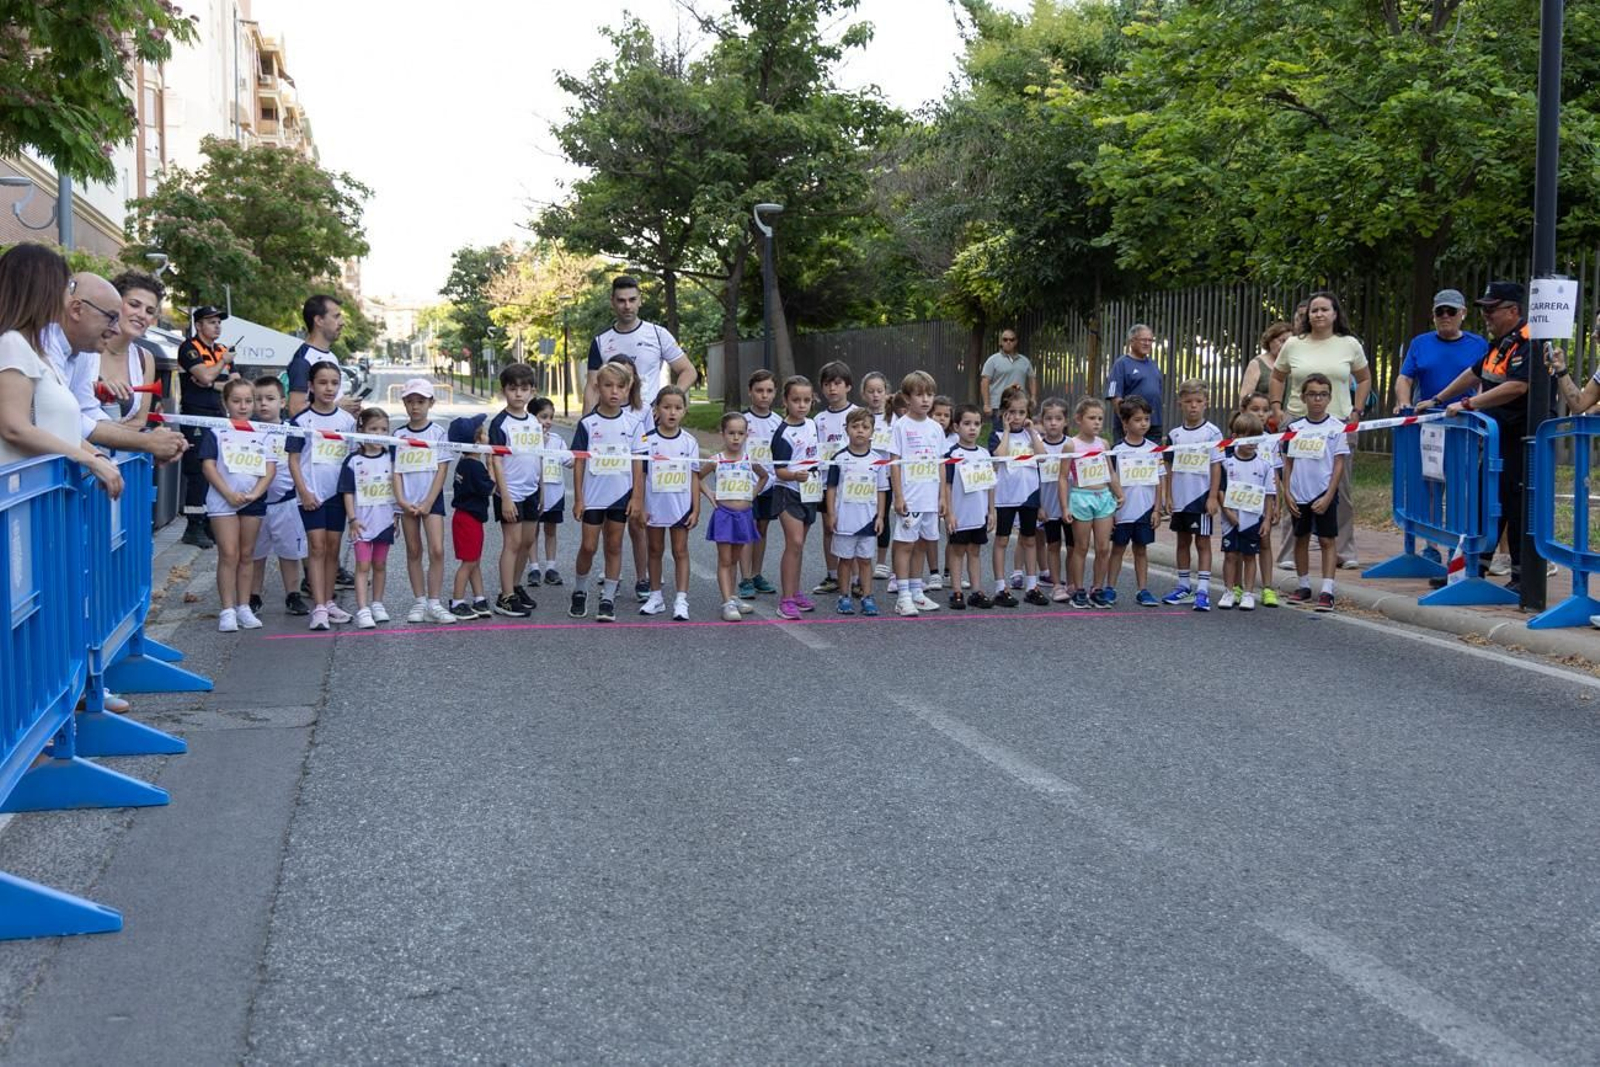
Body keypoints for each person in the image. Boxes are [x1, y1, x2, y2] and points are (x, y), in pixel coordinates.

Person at [1415, 281, 1532, 593]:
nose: (1486, 316)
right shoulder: (1501, 343)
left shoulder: (1528, 342)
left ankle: (1523, 579)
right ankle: (1470, 570)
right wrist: (1438, 398)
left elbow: (1519, 386)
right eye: (1484, 310)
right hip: (1499, 437)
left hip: (1522, 438)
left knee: (1515, 504)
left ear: (1513, 310)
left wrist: (1469, 403)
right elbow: (1474, 373)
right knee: (1486, 501)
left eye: (1492, 309)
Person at [0, 244, 122, 495]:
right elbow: (14, 428)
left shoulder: (34, 349)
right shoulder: (12, 344)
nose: (69, 296)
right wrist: (88, 460)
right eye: (66, 287)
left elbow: (52, 430)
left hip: (43, 498)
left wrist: (96, 456)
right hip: (24, 498)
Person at [1268, 290, 1371, 570]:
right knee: (1293, 485)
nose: (1319, 314)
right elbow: (1278, 376)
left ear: (1335, 313)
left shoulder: (1349, 344)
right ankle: (1289, 552)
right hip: (1299, 423)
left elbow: (1364, 379)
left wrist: (1356, 411)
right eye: (1314, 310)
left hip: (1337, 424)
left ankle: (1343, 550)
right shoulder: (1294, 344)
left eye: (1325, 309)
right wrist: (1277, 409)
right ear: (1307, 315)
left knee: (1342, 489)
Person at [286, 361, 356, 632]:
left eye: (334, 383)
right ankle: (318, 607)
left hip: (337, 495)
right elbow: (293, 460)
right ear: (311, 386)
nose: (329, 388)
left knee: (332, 550)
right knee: (316, 547)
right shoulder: (301, 420)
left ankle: (328, 602)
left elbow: (352, 459)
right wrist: (304, 491)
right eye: (323, 383)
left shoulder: (348, 421)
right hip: (311, 494)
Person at [201, 379, 273, 632]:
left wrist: (255, 493)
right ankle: (227, 610)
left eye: (248, 401)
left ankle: (244, 607)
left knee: (247, 554)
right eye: (236, 401)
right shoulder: (216, 431)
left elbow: (269, 468)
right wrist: (228, 493)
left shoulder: (263, 431)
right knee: (229, 554)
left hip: (253, 500)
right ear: (225, 403)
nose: (243, 406)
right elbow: (208, 466)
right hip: (223, 500)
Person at [569, 360, 639, 623]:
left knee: (614, 545)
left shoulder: (633, 423)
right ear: (597, 387)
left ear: (627, 389)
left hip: (621, 494)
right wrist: (578, 498)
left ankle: (608, 597)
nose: (614, 392)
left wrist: (637, 497)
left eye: (620, 387)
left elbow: (638, 463)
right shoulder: (588, 424)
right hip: (593, 496)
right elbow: (579, 462)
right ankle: (580, 589)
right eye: (608, 385)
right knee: (588, 546)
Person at [583, 275, 697, 418]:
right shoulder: (600, 341)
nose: (627, 306)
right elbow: (592, 388)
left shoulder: (658, 334)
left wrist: (667, 402)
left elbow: (688, 371)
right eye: (621, 301)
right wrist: (585, 426)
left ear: (640, 300)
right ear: (612, 302)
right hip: (611, 421)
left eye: (632, 300)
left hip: (649, 420)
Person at [631, 386, 700, 620]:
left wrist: (696, 508)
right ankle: (655, 596)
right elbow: (639, 475)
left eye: (678, 408)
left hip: (680, 507)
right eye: (667, 407)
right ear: (656, 410)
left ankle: (681, 599)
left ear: (684, 411)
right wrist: (639, 506)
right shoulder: (646, 441)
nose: (672, 412)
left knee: (680, 550)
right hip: (654, 507)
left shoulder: (689, 442)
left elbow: (694, 476)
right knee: (654, 550)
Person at [391, 379, 456, 625]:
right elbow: (395, 470)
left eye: (420, 401)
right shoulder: (398, 434)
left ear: (431, 403)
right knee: (413, 550)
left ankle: (434, 602)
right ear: (404, 404)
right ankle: (419, 600)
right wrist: (401, 501)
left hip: (431, 500)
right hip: (407, 500)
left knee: (437, 549)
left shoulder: (438, 433)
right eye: (410, 401)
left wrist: (429, 501)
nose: (415, 407)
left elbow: (442, 469)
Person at [1283, 374, 1349, 612]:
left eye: (1322, 395)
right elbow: (1288, 462)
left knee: (1326, 540)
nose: (1317, 399)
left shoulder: (1337, 428)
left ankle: (1327, 590)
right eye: (1312, 394)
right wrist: (1287, 492)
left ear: (1329, 398)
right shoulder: (1294, 428)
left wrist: (1329, 495)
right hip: (1299, 493)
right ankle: (1303, 586)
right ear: (1304, 397)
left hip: (1323, 493)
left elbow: (1338, 464)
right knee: (1300, 539)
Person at [247, 376, 310, 617]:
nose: (263, 404)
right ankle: (253, 595)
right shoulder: (247, 430)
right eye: (258, 399)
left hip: (286, 503)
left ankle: (292, 594)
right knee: (256, 554)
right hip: (256, 503)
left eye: (270, 399)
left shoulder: (291, 431)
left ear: (282, 402)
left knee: (289, 552)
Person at [887, 370, 946, 617]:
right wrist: (899, 496)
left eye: (929, 394)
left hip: (930, 497)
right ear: (907, 398)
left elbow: (941, 463)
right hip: (911, 497)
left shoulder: (936, 428)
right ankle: (902, 596)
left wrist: (943, 496)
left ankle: (916, 591)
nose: (925, 400)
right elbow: (894, 463)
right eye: (919, 394)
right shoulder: (900, 427)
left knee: (923, 544)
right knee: (905, 544)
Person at [700, 412, 767, 621]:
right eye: (731, 433)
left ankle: (732, 595)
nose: (736, 438)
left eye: (740, 433)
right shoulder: (716, 460)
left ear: (747, 435)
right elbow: (698, 477)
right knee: (725, 559)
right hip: (724, 515)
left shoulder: (749, 460)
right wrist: (709, 493)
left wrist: (752, 494)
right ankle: (727, 602)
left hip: (744, 515)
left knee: (736, 558)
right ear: (723, 434)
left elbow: (764, 476)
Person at [487, 363, 542, 618]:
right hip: (510, 493)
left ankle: (516, 586)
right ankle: (505, 596)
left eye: (524, 389)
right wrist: (505, 496)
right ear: (504, 391)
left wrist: (541, 490)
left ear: (533, 391)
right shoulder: (500, 423)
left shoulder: (533, 421)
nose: (518, 394)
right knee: (512, 543)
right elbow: (496, 460)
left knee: (527, 541)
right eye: (513, 389)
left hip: (531, 491)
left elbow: (538, 456)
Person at [177, 304, 234, 547]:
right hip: (196, 415)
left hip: (219, 414)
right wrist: (216, 371)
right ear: (198, 325)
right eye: (211, 321)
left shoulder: (222, 350)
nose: (217, 325)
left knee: (217, 469)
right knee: (198, 470)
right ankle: (193, 526)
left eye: (219, 321)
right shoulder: (189, 348)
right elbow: (207, 376)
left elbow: (234, 384)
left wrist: (210, 381)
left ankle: (211, 521)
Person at [1162, 379, 1222, 610]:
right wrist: (1168, 495)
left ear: (1206, 403)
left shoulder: (1212, 433)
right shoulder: (1174, 434)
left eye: (1198, 401)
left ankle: (1203, 590)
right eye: (1188, 402)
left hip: (1201, 497)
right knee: (1182, 541)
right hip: (1180, 498)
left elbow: (1216, 466)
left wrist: (1213, 496)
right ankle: (1183, 586)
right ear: (1180, 404)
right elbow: (1168, 466)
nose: (1193, 406)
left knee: (1203, 542)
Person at [770, 375, 824, 620]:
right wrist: (794, 475)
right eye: (796, 400)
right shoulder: (782, 434)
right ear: (785, 401)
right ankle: (786, 600)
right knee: (795, 543)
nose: (802, 405)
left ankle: (796, 590)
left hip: (810, 491)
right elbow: (778, 471)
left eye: (806, 400)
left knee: (800, 545)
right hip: (788, 491)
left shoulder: (812, 425)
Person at [825, 407, 888, 615]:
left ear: (872, 432)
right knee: (845, 560)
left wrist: (880, 516)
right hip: (844, 519)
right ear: (846, 430)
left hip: (868, 520)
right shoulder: (839, 458)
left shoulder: (877, 460)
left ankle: (867, 596)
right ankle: (844, 596)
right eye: (855, 426)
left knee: (865, 560)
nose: (860, 431)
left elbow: (881, 490)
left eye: (865, 427)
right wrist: (832, 514)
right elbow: (832, 488)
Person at [1212, 410, 1277, 611]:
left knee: (1250, 556)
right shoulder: (1226, 463)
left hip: (1253, 519)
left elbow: (1269, 494)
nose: (1251, 442)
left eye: (1255, 437)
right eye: (1246, 437)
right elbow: (1221, 490)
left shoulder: (1265, 465)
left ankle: (1249, 593)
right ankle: (1229, 591)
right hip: (1230, 520)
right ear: (1235, 437)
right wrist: (1228, 513)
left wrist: (1266, 520)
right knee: (1231, 555)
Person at [338, 407, 397, 629]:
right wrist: (352, 519)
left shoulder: (392, 458)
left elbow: (397, 488)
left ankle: (377, 604)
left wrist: (396, 516)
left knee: (380, 564)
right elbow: (348, 492)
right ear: (361, 430)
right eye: (373, 429)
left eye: (384, 429)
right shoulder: (353, 461)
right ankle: (363, 608)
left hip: (385, 521)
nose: (378, 434)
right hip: (361, 523)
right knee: (363, 565)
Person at [987, 385, 1045, 607]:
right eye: (1013, 412)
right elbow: (1000, 456)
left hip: (1029, 494)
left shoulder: (1032, 435)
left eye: (1022, 412)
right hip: (1005, 496)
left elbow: (1041, 457)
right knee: (1002, 540)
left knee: (1029, 539)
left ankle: (1032, 585)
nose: (1018, 417)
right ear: (1004, 413)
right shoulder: (998, 435)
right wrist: (1008, 430)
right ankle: (1001, 587)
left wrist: (1031, 432)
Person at [1062, 398, 1122, 608]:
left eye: (1100, 418)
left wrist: (1118, 493)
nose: (1096, 423)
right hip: (1081, 497)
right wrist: (1065, 506)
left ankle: (1097, 588)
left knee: (1104, 547)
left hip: (1104, 497)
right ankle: (1078, 589)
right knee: (1081, 546)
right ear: (1079, 419)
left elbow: (1110, 472)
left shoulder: (1103, 444)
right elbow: (1062, 477)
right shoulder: (1071, 444)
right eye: (1091, 418)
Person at [1106, 396, 1165, 607]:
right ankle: (1110, 588)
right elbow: (1110, 481)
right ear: (1125, 423)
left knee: (1141, 550)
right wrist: (1111, 511)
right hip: (1122, 510)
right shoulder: (1116, 450)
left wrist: (1157, 509)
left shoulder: (1154, 449)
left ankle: (1143, 590)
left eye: (1147, 419)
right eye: (1138, 419)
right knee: (1118, 549)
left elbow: (1159, 480)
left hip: (1145, 510)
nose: (1143, 424)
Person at [1393, 290, 1488, 413]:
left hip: (1464, 417)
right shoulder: (1419, 343)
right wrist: (1404, 404)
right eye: (1439, 312)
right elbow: (1404, 378)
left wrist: (1476, 406)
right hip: (1425, 414)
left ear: (1463, 313)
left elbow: (1485, 381)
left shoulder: (1479, 345)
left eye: (1451, 311)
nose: (1445, 316)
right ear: (1433, 315)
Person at [941, 403, 997, 609]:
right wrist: (949, 513)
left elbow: (990, 484)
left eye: (976, 424)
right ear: (956, 427)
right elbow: (946, 485)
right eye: (966, 424)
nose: (972, 428)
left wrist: (991, 511)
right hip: (960, 515)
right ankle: (956, 591)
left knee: (974, 552)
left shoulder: (984, 453)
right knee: (957, 552)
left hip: (978, 514)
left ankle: (976, 591)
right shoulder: (951, 454)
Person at [812, 360, 857, 596]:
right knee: (829, 528)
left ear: (848, 386)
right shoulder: (817, 420)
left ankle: (857, 578)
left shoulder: (857, 414)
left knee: (855, 529)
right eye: (828, 384)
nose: (832, 389)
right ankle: (832, 575)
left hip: (852, 483)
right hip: (826, 482)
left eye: (838, 383)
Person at [739, 369, 783, 599]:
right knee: (748, 529)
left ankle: (756, 573)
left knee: (762, 529)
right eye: (759, 390)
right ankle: (745, 578)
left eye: (768, 391)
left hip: (770, 484)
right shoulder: (742, 420)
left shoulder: (779, 422)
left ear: (775, 393)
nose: (764, 395)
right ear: (750, 392)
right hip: (746, 484)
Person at [101, 271, 163, 426]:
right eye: (134, 305)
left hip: (119, 447)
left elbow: (139, 421)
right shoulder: (84, 345)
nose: (142, 315)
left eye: (150, 311)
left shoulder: (145, 359)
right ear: (115, 303)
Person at [447, 415, 494, 620]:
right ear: (476, 442)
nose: (487, 436)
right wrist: (492, 465)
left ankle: (479, 597)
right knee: (469, 562)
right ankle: (457, 601)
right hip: (469, 519)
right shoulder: (476, 467)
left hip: (466, 517)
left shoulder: (464, 462)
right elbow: (489, 489)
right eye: (484, 433)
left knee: (474, 560)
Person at [1241, 392, 1283, 606]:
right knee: (1239, 546)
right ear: (1243, 411)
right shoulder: (1235, 440)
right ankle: (1238, 586)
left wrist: (1276, 503)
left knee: (1264, 542)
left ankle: (1267, 587)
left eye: (1265, 410)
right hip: (1240, 499)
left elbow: (1275, 472)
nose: (1260, 414)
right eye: (1254, 409)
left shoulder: (1272, 440)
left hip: (1263, 499)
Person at [286, 294, 357, 417]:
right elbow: (295, 409)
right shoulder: (303, 359)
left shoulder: (332, 356)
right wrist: (337, 407)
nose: (342, 323)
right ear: (319, 320)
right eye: (336, 317)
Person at [860, 371, 896, 583]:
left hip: (887, 475)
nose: (875, 395)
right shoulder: (859, 417)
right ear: (864, 394)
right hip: (863, 476)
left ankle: (882, 562)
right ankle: (862, 558)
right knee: (862, 515)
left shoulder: (893, 419)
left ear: (886, 393)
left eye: (879, 391)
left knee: (882, 517)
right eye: (871, 391)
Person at [531, 397, 570, 589]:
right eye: (543, 417)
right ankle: (534, 567)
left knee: (551, 530)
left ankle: (551, 567)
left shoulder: (558, 440)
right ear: (532, 418)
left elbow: (570, 462)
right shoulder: (527, 440)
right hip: (534, 493)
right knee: (532, 531)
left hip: (555, 494)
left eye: (550, 417)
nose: (548, 421)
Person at [1035, 398, 1073, 591]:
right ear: (1042, 421)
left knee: (1074, 548)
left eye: (1058, 418)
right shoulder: (1038, 448)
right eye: (1049, 418)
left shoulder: (1073, 446)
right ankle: (1057, 584)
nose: (1053, 423)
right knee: (1053, 545)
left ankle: (1073, 583)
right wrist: (1039, 506)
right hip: (1049, 507)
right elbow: (1034, 480)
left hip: (1072, 506)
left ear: (1065, 421)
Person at [1105, 323, 1165, 441]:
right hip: (1130, 426)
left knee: (1153, 458)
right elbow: (1114, 396)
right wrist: (1124, 421)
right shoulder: (1121, 364)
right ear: (1132, 341)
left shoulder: (1153, 364)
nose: (1147, 343)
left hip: (1153, 424)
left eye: (1150, 340)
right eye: (1143, 340)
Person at [979, 328, 1037, 427]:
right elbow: (985, 382)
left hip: (1020, 405)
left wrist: (1033, 397)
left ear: (1016, 342)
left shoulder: (1024, 361)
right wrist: (986, 404)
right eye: (1005, 340)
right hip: (999, 405)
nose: (1008, 342)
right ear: (1001, 342)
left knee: (1020, 434)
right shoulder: (993, 360)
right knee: (1000, 433)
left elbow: (1032, 379)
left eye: (1011, 339)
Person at [1239, 321, 1294, 409]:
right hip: (1264, 418)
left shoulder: (1295, 364)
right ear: (1270, 340)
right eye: (1282, 341)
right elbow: (1244, 398)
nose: (1285, 346)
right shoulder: (1257, 364)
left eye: (1289, 343)